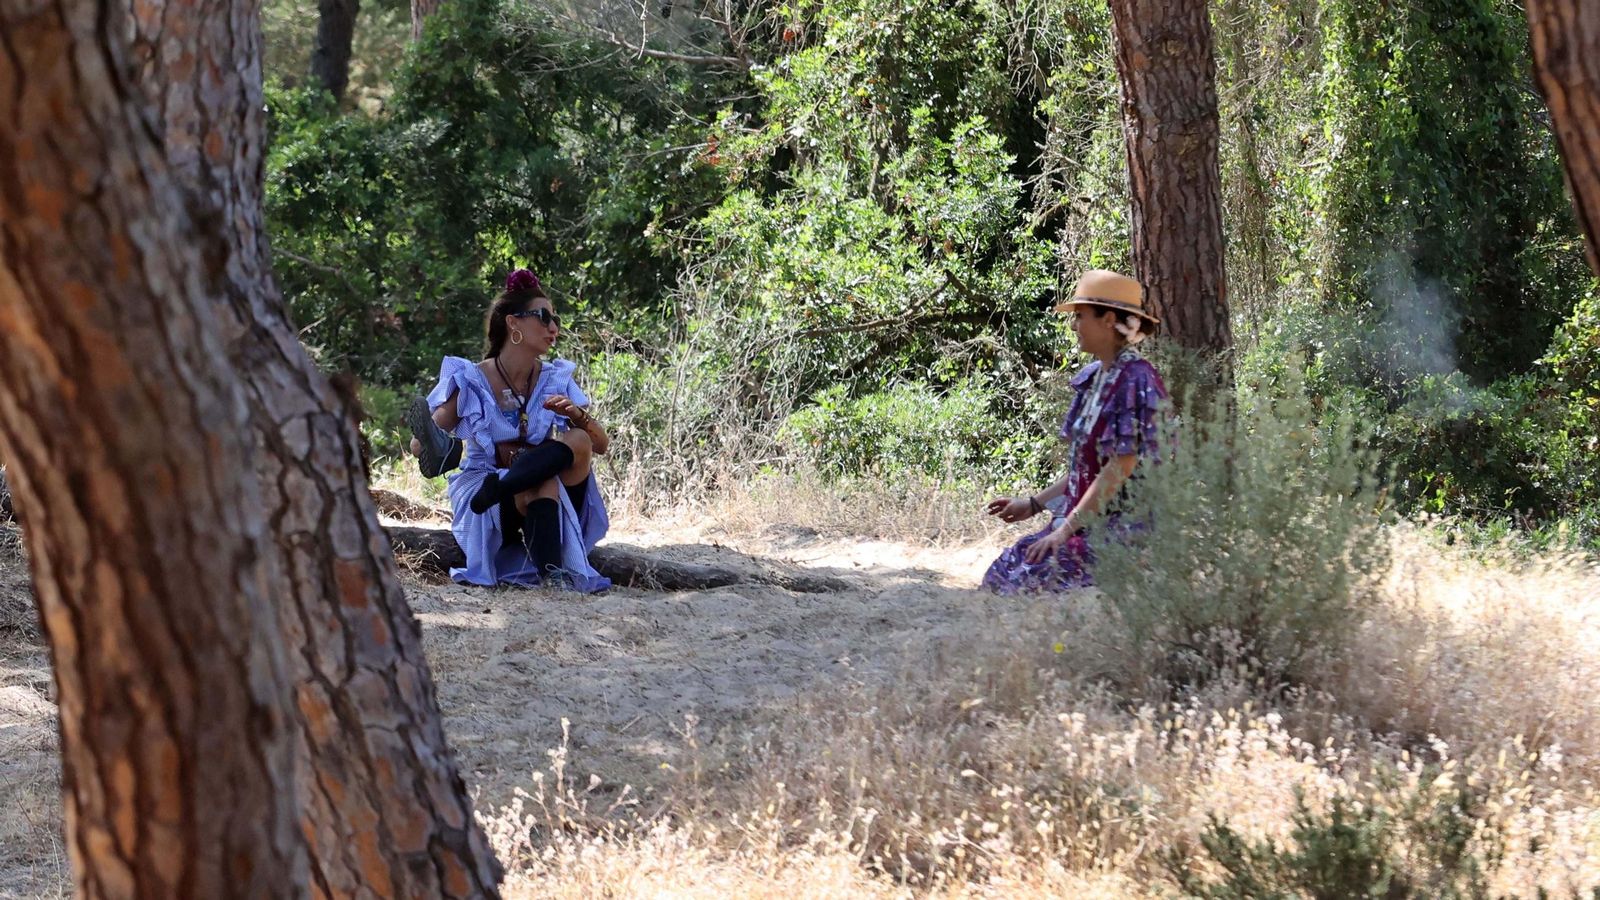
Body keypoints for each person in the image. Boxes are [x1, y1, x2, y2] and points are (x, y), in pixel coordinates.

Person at [982, 270, 1168, 594]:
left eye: (1080, 316)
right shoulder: (1095, 377)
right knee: (1006, 569)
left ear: (1108, 319)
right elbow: (1086, 469)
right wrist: (1034, 504)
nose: (1073, 326)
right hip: (1083, 524)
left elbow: (1119, 468)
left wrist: (1064, 531)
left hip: (1125, 530)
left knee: (1031, 579)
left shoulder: (1137, 379)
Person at [424, 268, 612, 591]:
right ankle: (552, 573)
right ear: (513, 323)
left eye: (556, 320)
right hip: (486, 498)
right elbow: (424, 440)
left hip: (530, 494)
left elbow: (601, 445)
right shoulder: (472, 379)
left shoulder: (556, 378)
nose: (553, 328)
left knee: (578, 439)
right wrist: (431, 443)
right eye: (543, 317)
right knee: (541, 483)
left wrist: (579, 416)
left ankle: (511, 491)